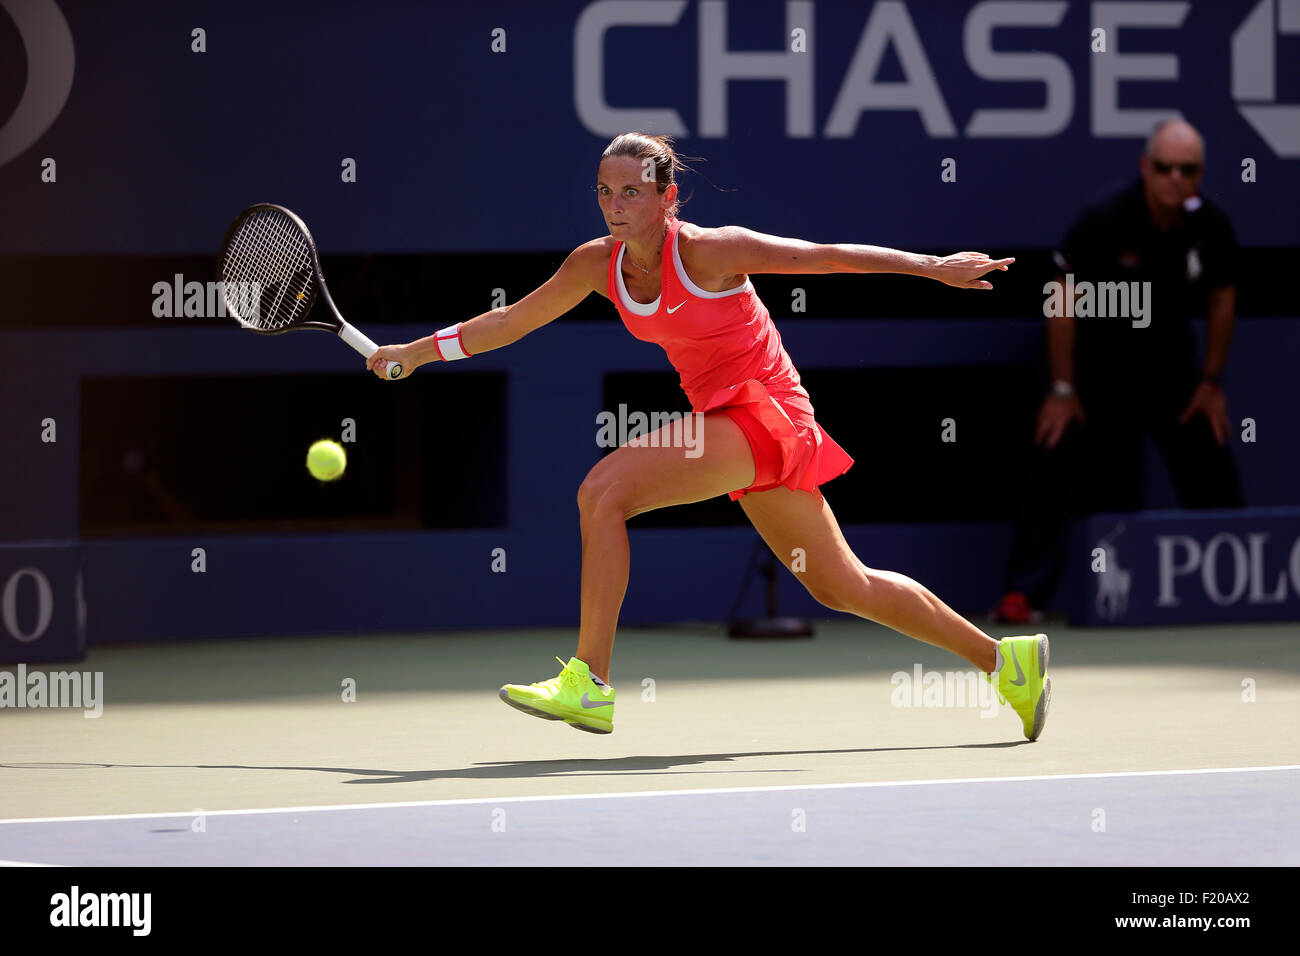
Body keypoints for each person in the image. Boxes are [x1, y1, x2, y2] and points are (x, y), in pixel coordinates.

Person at [368, 132, 1050, 740]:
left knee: (601, 493)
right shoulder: (593, 265)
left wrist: (932, 267)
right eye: (605, 192)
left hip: (766, 411)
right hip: (734, 425)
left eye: (632, 192)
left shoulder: (712, 251)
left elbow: (825, 258)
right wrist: (418, 352)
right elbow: (509, 322)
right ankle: (1005, 662)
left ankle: (590, 683)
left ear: (668, 197)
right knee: (842, 586)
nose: (615, 205)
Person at [991, 119, 1245, 624]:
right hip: (1094, 374)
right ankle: (1024, 595)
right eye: (1165, 168)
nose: (1175, 177)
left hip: (1171, 374)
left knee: (1210, 449)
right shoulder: (1104, 217)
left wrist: (1211, 382)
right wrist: (1062, 388)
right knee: (1053, 449)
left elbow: (1222, 297)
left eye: (1187, 169)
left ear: (1200, 174)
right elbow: (1061, 298)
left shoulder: (1211, 224)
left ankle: (1240, 580)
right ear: (1146, 168)